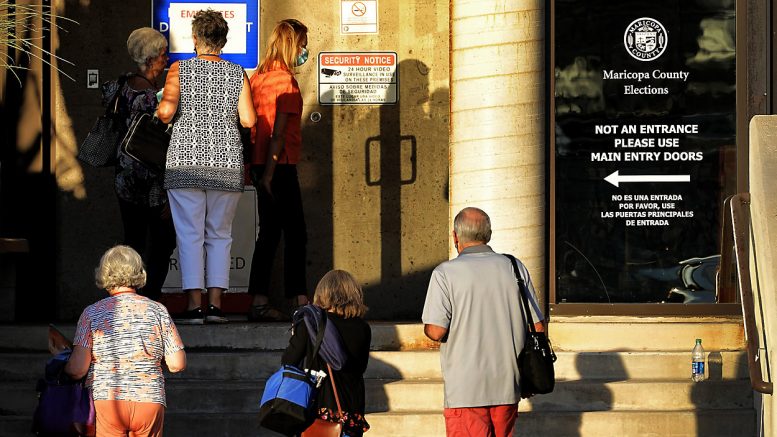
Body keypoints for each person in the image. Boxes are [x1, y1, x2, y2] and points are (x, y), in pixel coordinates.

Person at [157, 9, 257, 324]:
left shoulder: (178, 70)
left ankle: (192, 305)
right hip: (226, 161)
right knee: (220, 234)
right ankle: (215, 305)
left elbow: (165, 113)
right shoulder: (237, 73)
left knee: (189, 234)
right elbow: (249, 119)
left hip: (185, 162)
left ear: (196, 39)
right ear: (223, 40)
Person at [422, 207, 545, 437]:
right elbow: (537, 326)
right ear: (488, 234)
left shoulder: (445, 273)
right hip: (508, 384)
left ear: (455, 236)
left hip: (465, 389)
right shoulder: (515, 267)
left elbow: (437, 331)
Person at [65, 245, 186, 437]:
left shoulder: (91, 313)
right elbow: (177, 364)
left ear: (104, 273)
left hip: (107, 400)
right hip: (149, 399)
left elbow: (77, 369)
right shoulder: (158, 310)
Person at [246, 19, 311, 322]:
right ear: (292, 44)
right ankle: (301, 300)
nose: (305, 50)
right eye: (302, 43)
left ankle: (259, 301)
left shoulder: (258, 78)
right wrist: (271, 175)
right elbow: (279, 133)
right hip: (279, 166)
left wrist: (259, 171)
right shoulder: (285, 82)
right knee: (296, 233)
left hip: (261, 164)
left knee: (269, 233)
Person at [108, 27, 176, 301]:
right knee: (163, 240)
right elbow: (162, 144)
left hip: (124, 176)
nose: (166, 60)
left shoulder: (118, 87)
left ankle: (128, 296)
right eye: (162, 55)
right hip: (151, 180)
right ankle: (150, 297)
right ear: (150, 59)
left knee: (133, 238)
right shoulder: (153, 99)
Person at [281, 270, 371, 437]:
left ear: (322, 293)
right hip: (352, 409)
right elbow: (360, 367)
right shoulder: (363, 327)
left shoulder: (311, 324)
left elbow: (289, 361)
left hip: (320, 408)